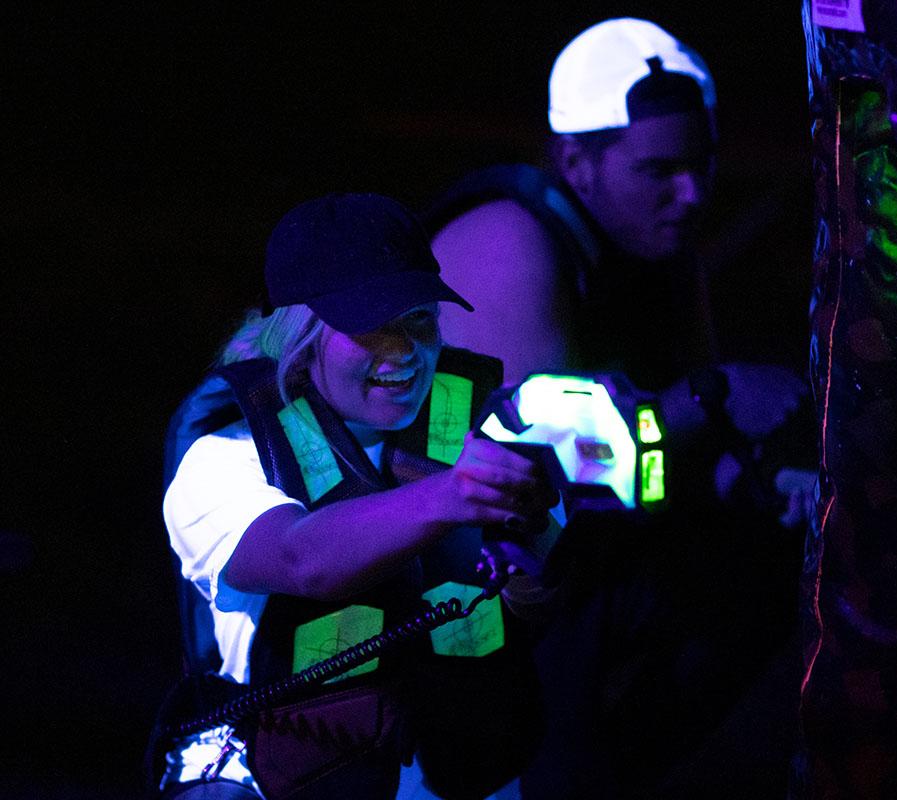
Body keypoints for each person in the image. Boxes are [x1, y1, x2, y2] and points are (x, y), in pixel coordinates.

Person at [424, 19, 815, 797]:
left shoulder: (658, 247)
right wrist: (717, 396)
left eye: (702, 165)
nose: (693, 194)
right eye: (660, 170)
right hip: (474, 602)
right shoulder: (512, 243)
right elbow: (534, 481)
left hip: (598, 586)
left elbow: (694, 452)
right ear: (577, 160)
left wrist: (773, 481)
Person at [156, 193, 554, 800]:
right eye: (371, 324)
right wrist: (455, 496)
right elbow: (300, 557)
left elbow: (539, 610)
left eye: (420, 318)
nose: (404, 350)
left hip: (465, 771)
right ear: (301, 332)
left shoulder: (489, 435)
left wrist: (533, 566)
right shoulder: (224, 461)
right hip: (284, 775)